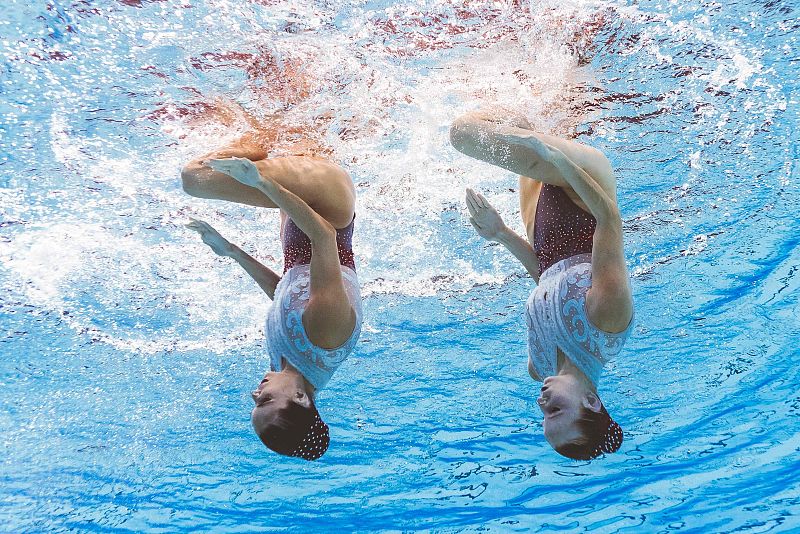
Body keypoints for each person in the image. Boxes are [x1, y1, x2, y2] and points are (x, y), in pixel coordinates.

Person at [450, 109, 634, 460]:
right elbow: (609, 218)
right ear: (591, 401)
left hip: (543, 230)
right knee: (464, 133)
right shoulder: (608, 324)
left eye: (542, 415)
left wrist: (500, 233)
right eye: (555, 411)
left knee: (534, 110)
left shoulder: (539, 366)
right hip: (583, 192)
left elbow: (551, 287)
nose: (541, 403)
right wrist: (558, 161)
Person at [180, 131, 361, 461]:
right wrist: (263, 183)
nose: (255, 392)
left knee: (293, 126)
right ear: (300, 398)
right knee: (195, 179)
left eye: (255, 401)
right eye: (264, 400)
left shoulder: (288, 366)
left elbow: (285, 299)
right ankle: (247, 135)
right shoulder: (328, 337)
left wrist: (233, 252)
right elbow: (324, 236)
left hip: (297, 219)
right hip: (326, 206)